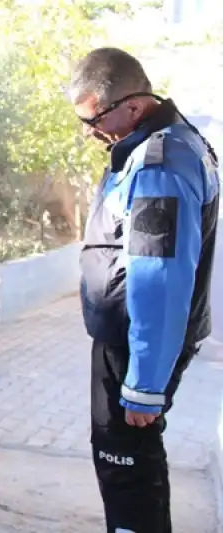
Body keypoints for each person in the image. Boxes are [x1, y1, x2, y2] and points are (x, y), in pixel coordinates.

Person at [68, 47, 219, 533]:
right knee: (136, 464)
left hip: (134, 350)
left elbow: (160, 279)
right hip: (129, 342)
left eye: (95, 119)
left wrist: (145, 385)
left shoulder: (159, 163)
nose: (91, 132)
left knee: (126, 464)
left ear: (133, 105)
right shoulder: (163, 144)